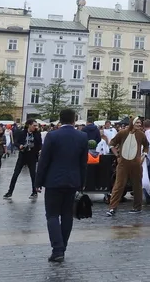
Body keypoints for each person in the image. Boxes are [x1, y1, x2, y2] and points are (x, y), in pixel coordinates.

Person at [35, 108, 88, 263]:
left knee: (52, 215)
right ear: (74, 120)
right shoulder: (82, 136)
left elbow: (44, 161)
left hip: (53, 181)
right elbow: (83, 163)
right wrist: (82, 183)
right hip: (73, 181)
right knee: (67, 215)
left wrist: (38, 182)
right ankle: (62, 247)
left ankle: (57, 250)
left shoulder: (52, 136)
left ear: (60, 120)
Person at [106, 117, 149, 217]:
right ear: (132, 123)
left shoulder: (141, 134)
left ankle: (137, 207)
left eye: (140, 123)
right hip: (123, 163)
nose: (139, 124)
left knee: (137, 185)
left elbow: (146, 146)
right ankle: (112, 207)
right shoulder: (122, 133)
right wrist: (117, 155)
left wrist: (144, 155)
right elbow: (112, 143)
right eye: (137, 122)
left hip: (136, 163)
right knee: (119, 185)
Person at [4, 120, 42, 199]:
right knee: (15, 174)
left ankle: (34, 192)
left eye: (36, 126)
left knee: (33, 175)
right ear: (29, 125)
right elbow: (16, 142)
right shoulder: (22, 133)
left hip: (32, 156)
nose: (36, 127)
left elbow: (39, 144)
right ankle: (10, 191)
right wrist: (20, 146)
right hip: (23, 155)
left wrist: (39, 150)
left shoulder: (37, 134)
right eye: (34, 125)